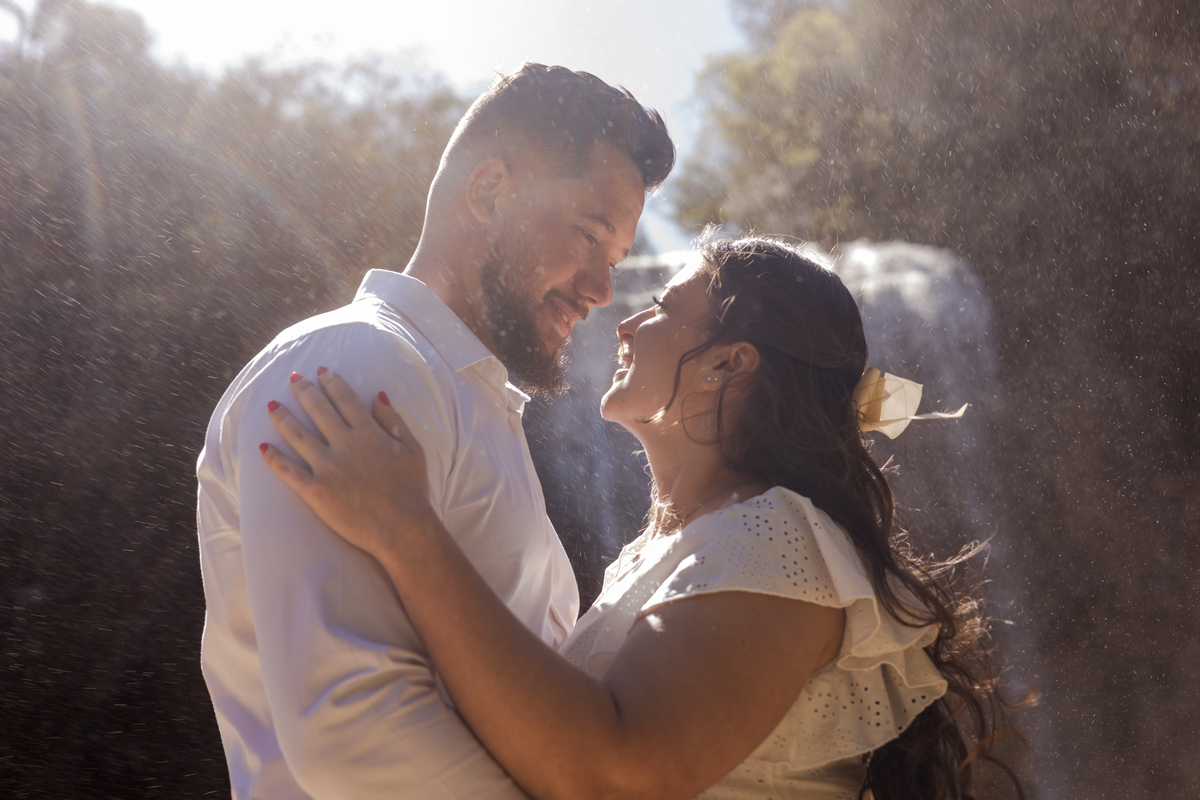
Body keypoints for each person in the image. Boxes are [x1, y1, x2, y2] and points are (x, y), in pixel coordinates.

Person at [260, 235, 1023, 800]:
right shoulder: (681, 545)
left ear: (731, 363)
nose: (623, 326)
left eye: (662, 308)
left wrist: (402, 526)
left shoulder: (777, 536)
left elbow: (614, 776)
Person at [196, 63, 675, 799]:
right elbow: (351, 730)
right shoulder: (355, 363)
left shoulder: (473, 400)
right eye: (588, 236)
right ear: (487, 191)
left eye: (611, 260)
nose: (603, 289)